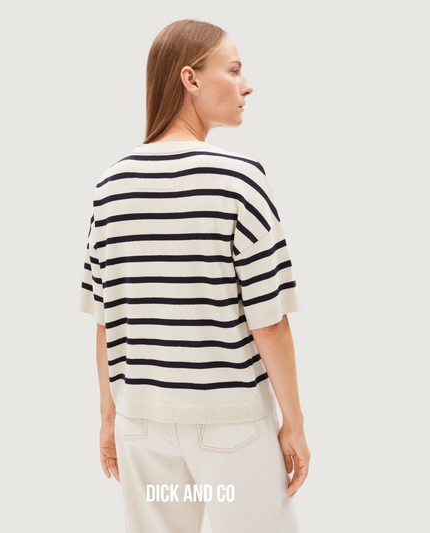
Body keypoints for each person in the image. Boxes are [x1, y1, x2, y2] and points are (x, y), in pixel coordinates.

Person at [79, 19, 310, 533]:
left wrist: (108, 418)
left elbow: (106, 320)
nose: (247, 85)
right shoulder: (240, 180)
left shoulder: (109, 188)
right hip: (231, 424)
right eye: (234, 70)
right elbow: (269, 322)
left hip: (140, 423)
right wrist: (294, 424)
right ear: (191, 79)